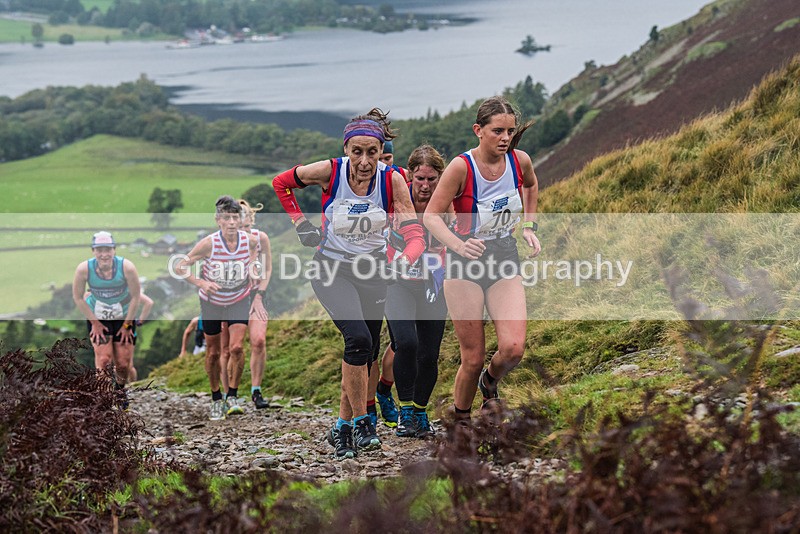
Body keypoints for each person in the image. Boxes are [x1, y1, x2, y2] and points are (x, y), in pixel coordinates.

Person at [272, 108, 426, 460]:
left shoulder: (392, 181)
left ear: (380, 150)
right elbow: (281, 183)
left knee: (365, 352)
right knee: (357, 339)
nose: (364, 161)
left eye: (372, 152)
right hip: (332, 270)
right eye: (356, 152)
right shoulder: (329, 171)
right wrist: (300, 224)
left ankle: (341, 429)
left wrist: (403, 259)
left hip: (373, 271)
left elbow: (413, 232)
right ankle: (362, 422)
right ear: (346, 150)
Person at [423, 96, 541, 420]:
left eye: (510, 131)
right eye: (497, 131)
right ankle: (460, 424)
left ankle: (490, 383)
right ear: (479, 130)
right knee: (472, 358)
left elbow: (531, 187)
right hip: (464, 264)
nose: (505, 138)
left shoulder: (520, 161)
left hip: (503, 255)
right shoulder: (461, 167)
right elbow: (431, 216)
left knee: (514, 349)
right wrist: (458, 246)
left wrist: (529, 226)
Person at [175, 195, 266, 421]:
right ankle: (216, 398)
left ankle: (232, 396)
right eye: (227, 218)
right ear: (218, 220)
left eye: (235, 217)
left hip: (238, 298)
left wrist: (253, 271)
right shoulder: (209, 243)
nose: (232, 222)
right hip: (212, 302)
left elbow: (254, 259)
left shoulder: (250, 241)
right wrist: (202, 282)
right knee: (214, 352)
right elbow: (181, 266)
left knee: (236, 348)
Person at [386, 144, 452, 438]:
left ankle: (420, 411)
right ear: (409, 175)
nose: (425, 186)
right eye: (420, 179)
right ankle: (405, 411)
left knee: (428, 355)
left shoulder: (448, 203)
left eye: (432, 180)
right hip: (397, 282)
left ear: (440, 178)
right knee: (406, 343)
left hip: (432, 284)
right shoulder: (396, 197)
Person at [72, 231, 141, 399]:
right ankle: (104, 401)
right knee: (104, 361)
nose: (104, 254)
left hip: (123, 317)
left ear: (114, 250)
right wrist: (94, 323)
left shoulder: (127, 267)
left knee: (123, 364)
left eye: (108, 250)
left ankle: (119, 392)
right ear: (93, 251)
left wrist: (127, 325)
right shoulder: (84, 269)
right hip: (98, 317)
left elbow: (136, 297)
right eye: (99, 250)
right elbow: (78, 297)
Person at [240, 198, 272, 410]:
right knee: (231, 348)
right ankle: (228, 393)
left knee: (258, 341)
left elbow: (268, 268)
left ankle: (256, 390)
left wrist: (260, 293)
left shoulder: (261, 238)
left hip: (256, 294)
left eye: (248, 218)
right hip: (233, 296)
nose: (246, 223)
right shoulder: (227, 241)